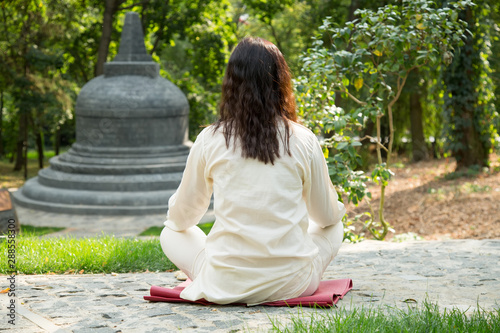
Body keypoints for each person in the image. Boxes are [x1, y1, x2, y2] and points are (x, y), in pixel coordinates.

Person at [160, 37, 346, 306]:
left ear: (231, 84)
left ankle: (211, 276)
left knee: (169, 232)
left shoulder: (210, 139)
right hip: (294, 283)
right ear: (280, 82)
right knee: (335, 224)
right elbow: (326, 216)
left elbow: (181, 219)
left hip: (224, 282)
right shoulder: (304, 139)